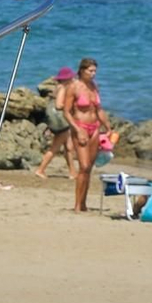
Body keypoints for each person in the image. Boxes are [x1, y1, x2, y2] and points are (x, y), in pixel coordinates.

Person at [66, 57, 110, 213]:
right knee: (83, 166)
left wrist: (108, 126)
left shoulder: (94, 86)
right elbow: (67, 112)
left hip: (95, 128)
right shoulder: (74, 87)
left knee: (89, 168)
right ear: (82, 70)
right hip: (81, 127)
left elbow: (99, 109)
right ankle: (77, 205)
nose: (93, 74)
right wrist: (77, 130)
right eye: (90, 71)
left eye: (95, 71)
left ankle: (83, 204)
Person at [35, 67, 76, 180]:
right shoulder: (63, 88)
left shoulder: (58, 87)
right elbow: (58, 105)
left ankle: (73, 172)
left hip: (57, 120)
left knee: (68, 147)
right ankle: (40, 170)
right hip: (61, 121)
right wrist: (70, 107)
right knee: (54, 148)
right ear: (67, 78)